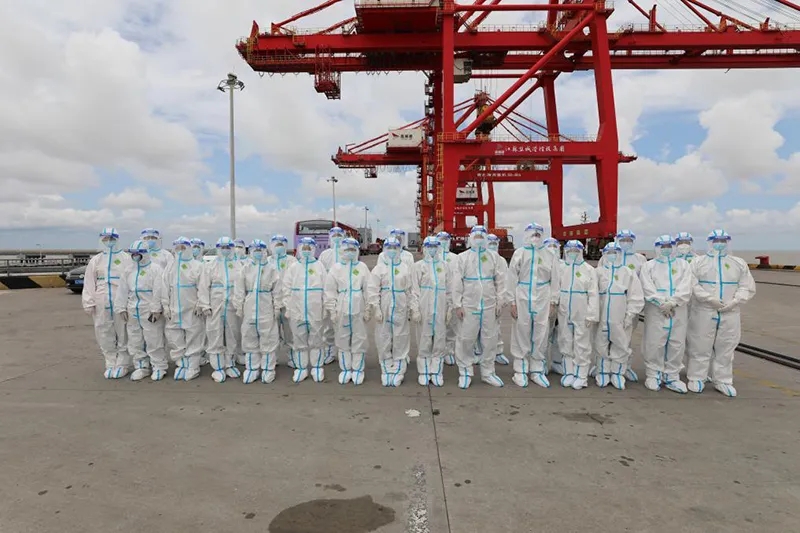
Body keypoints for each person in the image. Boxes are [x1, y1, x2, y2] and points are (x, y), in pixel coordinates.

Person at [686, 229, 756, 397]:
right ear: (709, 242)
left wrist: (736, 301)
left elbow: (746, 286)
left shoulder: (738, 263)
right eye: (716, 241)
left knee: (726, 347)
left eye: (723, 241)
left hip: (730, 312)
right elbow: (692, 284)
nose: (720, 244)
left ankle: (723, 380)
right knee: (699, 345)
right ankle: (697, 377)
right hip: (703, 310)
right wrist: (709, 299)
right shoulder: (698, 262)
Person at [452, 226, 507, 389]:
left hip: (489, 306)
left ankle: (488, 372)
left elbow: (501, 281)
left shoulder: (494, 257)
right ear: (470, 238)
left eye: (481, 236)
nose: (479, 239)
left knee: (489, 340)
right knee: (466, 339)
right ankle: (465, 372)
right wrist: (457, 304)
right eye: (475, 236)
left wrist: (500, 301)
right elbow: (456, 282)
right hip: (469, 306)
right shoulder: (462, 258)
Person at [507, 223, 560, 388]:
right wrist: (512, 302)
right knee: (521, 331)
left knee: (541, 333)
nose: (535, 238)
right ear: (526, 235)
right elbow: (511, 278)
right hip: (522, 296)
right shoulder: (520, 253)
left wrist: (553, 302)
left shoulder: (549, 255)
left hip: (543, 297)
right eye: (532, 234)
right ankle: (520, 370)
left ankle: (537, 370)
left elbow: (555, 279)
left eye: (538, 235)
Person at [639, 235, 693, 393]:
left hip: (678, 309)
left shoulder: (683, 265)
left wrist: (673, 302)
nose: (666, 249)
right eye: (662, 246)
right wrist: (661, 303)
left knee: (677, 342)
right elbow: (647, 287)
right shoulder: (649, 266)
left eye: (669, 246)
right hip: (656, 310)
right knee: (654, 341)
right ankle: (653, 374)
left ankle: (672, 376)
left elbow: (686, 286)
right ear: (657, 248)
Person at [82, 227, 133, 379]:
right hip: (101, 302)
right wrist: (88, 302)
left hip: (120, 302)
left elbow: (131, 281)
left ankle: (123, 363)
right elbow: (89, 282)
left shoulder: (126, 258)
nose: (108, 242)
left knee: (123, 332)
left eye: (111, 239)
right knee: (104, 332)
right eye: (105, 239)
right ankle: (110, 363)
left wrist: (129, 301)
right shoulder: (96, 260)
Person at [594, 242, 645, 390]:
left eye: (614, 252)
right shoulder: (598, 272)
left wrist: (630, 314)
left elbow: (635, 295)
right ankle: (602, 371)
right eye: (609, 252)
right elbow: (591, 293)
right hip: (602, 316)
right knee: (600, 343)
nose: (612, 255)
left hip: (620, 316)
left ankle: (617, 373)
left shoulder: (627, 272)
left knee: (621, 344)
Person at [115, 240, 168, 381]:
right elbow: (122, 290)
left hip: (149, 310)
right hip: (133, 309)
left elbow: (159, 290)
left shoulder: (156, 269)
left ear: (145, 253)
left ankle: (159, 366)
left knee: (154, 338)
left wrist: (156, 309)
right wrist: (121, 307)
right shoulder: (129, 270)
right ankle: (141, 366)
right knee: (135, 339)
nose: (135, 256)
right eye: (133, 254)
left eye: (138, 253)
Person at [324, 237, 372, 385]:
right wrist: (332, 310)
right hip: (341, 308)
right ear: (342, 251)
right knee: (342, 338)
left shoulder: (362, 267)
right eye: (347, 250)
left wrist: (368, 308)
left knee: (359, 338)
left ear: (357, 251)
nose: (350, 252)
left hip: (359, 308)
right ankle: (345, 369)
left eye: (353, 250)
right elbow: (330, 290)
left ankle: (358, 369)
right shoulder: (336, 268)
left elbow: (368, 289)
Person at [235, 239, 282, 384]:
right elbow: (239, 289)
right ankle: (252, 368)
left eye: (260, 250)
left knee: (268, 337)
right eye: (255, 250)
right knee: (250, 337)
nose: (258, 253)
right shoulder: (246, 268)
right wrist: (239, 306)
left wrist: (277, 306)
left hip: (266, 305)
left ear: (265, 251)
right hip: (250, 306)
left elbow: (278, 290)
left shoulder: (272, 269)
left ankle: (268, 369)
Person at [282, 237, 328, 383]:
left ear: (313, 249)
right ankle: (301, 368)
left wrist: (325, 306)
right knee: (299, 339)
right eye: (304, 248)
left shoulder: (319, 266)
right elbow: (286, 288)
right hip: (297, 309)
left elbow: (327, 288)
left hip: (315, 309)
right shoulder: (293, 267)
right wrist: (288, 306)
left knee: (317, 339)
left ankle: (317, 367)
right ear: (299, 249)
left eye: (309, 248)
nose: (306, 251)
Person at [197, 237, 242, 383]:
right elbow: (203, 286)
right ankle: (217, 367)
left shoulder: (238, 265)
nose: (225, 250)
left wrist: (240, 304)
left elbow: (242, 286)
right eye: (223, 247)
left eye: (228, 247)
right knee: (214, 334)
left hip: (232, 306)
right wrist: (205, 305)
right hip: (215, 306)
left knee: (232, 335)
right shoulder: (210, 266)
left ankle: (229, 364)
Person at [369, 238, 413, 387]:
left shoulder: (405, 268)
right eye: (389, 247)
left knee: (401, 336)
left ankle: (399, 368)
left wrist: (411, 307)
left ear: (399, 249)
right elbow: (373, 289)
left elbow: (410, 290)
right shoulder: (379, 269)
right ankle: (386, 367)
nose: (392, 250)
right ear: (384, 249)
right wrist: (376, 307)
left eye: (395, 248)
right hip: (385, 305)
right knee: (383, 335)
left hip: (401, 305)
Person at [555, 240, 599, 389]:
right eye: (570, 251)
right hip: (564, 311)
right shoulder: (561, 268)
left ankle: (581, 375)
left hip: (582, 311)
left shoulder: (588, 269)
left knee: (582, 343)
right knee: (565, 340)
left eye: (576, 250)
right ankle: (569, 372)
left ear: (581, 252)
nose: (572, 253)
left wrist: (592, 314)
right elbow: (555, 288)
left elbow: (593, 293)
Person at [161, 236, 206, 381]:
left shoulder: (197, 266)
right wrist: (165, 306)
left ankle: (193, 366)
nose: (180, 251)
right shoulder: (170, 267)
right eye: (177, 248)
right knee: (174, 337)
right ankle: (181, 363)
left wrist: (200, 303)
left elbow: (203, 287)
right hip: (174, 310)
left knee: (194, 336)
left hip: (191, 310)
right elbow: (164, 287)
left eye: (183, 248)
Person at [411, 237, 452, 386]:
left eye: (435, 246)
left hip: (440, 308)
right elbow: (414, 290)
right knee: (424, 339)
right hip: (424, 309)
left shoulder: (445, 266)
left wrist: (449, 308)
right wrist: (415, 309)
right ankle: (424, 371)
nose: (432, 249)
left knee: (440, 339)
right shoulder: (418, 266)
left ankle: (437, 371)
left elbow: (450, 289)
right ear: (425, 248)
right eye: (430, 246)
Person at [476, 233, 510, 365]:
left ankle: (498, 352)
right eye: (489, 243)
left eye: (494, 244)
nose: (492, 246)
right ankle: (478, 351)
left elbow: (504, 281)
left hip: (494, 300)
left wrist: (501, 300)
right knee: (477, 327)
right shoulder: (479, 258)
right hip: (479, 299)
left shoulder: (501, 260)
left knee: (495, 327)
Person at [268, 235, 299, 369]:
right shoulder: (267, 261)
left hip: (288, 301)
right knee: (271, 333)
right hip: (270, 302)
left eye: (281, 244)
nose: (279, 247)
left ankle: (293, 358)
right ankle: (272, 359)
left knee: (290, 331)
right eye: (276, 244)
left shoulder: (292, 261)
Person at [319, 226, 347, 365]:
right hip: (328, 292)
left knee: (344, 324)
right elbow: (320, 273)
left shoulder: (346, 253)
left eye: (339, 235)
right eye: (334, 235)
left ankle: (344, 351)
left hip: (343, 293)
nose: (336, 238)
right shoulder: (325, 254)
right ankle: (329, 350)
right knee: (328, 324)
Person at [543, 237, 564, 375]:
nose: (552, 249)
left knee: (559, 335)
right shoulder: (541, 263)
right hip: (545, 304)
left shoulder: (565, 265)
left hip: (562, 306)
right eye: (549, 246)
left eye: (555, 246)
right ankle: (543, 362)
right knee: (544, 335)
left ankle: (557, 362)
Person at [436, 231, 458, 366]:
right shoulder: (434, 257)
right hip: (435, 295)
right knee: (436, 324)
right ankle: (437, 351)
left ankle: (449, 351)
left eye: (446, 239)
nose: (443, 242)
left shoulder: (455, 258)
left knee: (451, 324)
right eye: (441, 239)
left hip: (451, 294)